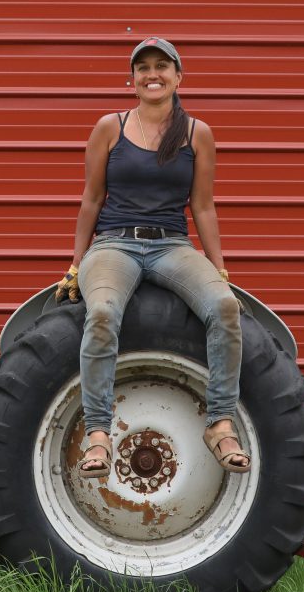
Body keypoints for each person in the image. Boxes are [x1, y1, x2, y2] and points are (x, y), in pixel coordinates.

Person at [54, 36, 249, 478]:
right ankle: (99, 435)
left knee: (224, 307)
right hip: (114, 244)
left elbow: (202, 206)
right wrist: (74, 262)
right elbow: (91, 198)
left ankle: (220, 423)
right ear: (133, 79)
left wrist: (219, 270)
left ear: (178, 77)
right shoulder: (110, 126)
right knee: (101, 312)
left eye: (162, 66)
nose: (152, 74)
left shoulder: (197, 133)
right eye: (143, 68)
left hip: (171, 246)